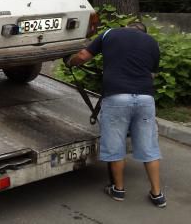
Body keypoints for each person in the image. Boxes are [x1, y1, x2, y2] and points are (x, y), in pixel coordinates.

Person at [64, 22, 167, 208]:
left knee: (115, 144)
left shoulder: (110, 33)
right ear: (144, 32)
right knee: (149, 147)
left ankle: (118, 190)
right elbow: (151, 75)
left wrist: (70, 62)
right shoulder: (152, 42)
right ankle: (157, 194)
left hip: (117, 97)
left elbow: (83, 56)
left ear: (127, 26)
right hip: (145, 99)